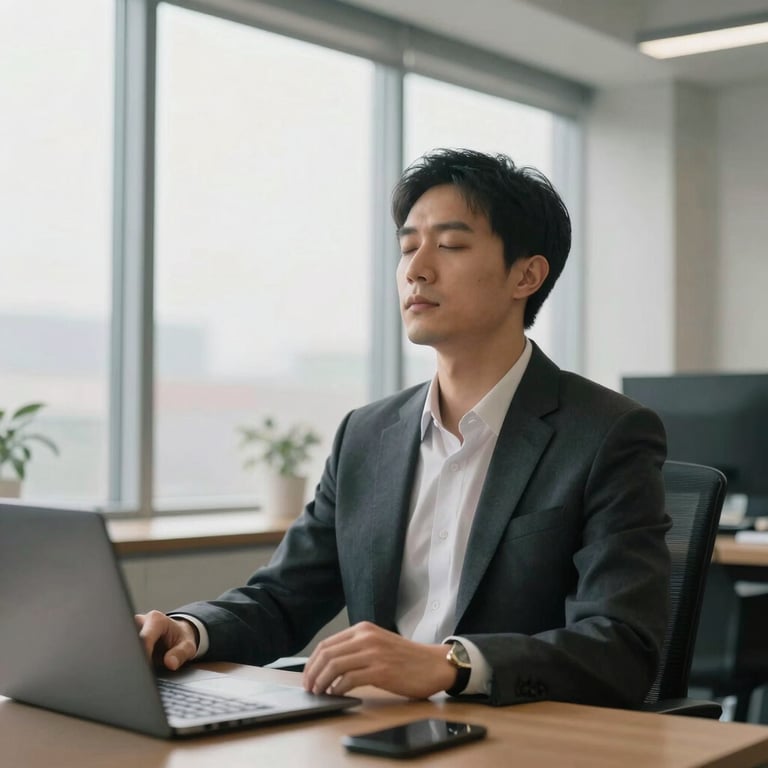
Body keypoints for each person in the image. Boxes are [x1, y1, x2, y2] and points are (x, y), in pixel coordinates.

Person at [137, 148, 670, 708]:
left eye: (450, 245)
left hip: (519, 734)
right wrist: (189, 631)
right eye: (409, 246)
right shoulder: (366, 436)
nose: (417, 268)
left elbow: (621, 647)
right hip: (382, 730)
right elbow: (283, 598)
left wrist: (453, 664)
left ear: (526, 275)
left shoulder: (607, 433)